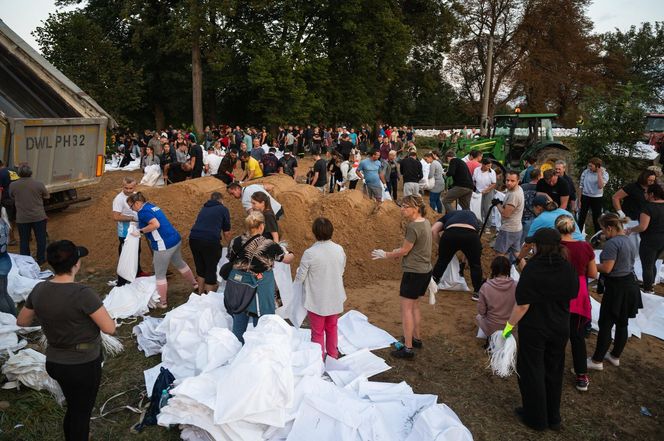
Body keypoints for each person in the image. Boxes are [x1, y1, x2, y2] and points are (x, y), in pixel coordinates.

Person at [17, 240, 116, 441]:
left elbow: (22, 321)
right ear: (76, 263)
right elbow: (109, 328)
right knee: (81, 413)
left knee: (74, 406)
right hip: (83, 363)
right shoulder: (83, 294)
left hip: (55, 361)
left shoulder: (39, 290)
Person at [504, 228, 579, 431]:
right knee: (554, 370)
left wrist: (508, 328)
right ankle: (553, 417)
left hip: (535, 328)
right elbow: (573, 292)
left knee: (532, 371)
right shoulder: (567, 267)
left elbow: (522, 305)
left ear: (539, 246)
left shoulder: (533, 269)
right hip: (560, 327)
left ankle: (535, 417)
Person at [371, 195, 432, 359]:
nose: (402, 209)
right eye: (402, 206)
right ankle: (417, 339)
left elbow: (405, 250)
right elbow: (416, 248)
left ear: (415, 208)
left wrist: (386, 254)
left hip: (413, 272)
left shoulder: (413, 227)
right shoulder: (425, 223)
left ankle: (408, 348)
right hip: (425, 271)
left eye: (406, 206)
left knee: (406, 310)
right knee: (415, 307)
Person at [227, 211, 295, 343]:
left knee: (239, 315)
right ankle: (260, 348)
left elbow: (231, 259)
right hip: (259, 284)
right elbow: (286, 259)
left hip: (239, 285)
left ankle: (235, 347)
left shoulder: (234, 241)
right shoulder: (268, 244)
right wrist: (291, 253)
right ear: (262, 226)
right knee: (263, 318)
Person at [588, 213, 641, 371]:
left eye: (603, 230)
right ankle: (615, 356)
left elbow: (607, 268)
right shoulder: (627, 240)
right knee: (622, 323)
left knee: (606, 324)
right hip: (630, 284)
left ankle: (597, 361)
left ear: (609, 228)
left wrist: (590, 265)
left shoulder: (613, 244)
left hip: (617, 288)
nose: (603, 233)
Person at [127, 192, 198, 308]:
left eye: (132, 206)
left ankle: (163, 302)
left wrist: (140, 231)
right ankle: (195, 284)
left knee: (160, 274)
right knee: (180, 263)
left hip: (163, 245)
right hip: (175, 239)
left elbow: (155, 224)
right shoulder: (150, 206)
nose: (132, 209)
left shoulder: (142, 212)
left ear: (138, 203)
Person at [295, 218, 346, 360]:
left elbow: (300, 278)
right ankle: (333, 354)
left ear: (314, 233)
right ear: (331, 231)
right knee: (332, 327)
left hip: (317, 298)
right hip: (334, 295)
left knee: (317, 331)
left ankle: (317, 359)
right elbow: (341, 270)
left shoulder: (310, 253)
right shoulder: (339, 249)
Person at [556, 214, 597, 392]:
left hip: (558, 292)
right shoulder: (585, 247)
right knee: (577, 336)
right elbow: (593, 274)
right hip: (579, 293)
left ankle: (553, 369)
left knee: (556, 334)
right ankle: (581, 375)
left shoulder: (555, 248)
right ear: (574, 229)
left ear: (556, 229)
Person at [431, 209, 483, 299]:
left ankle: (432, 285)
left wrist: (441, 247)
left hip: (450, 235)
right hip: (471, 236)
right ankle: (477, 292)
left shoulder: (448, 215)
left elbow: (433, 230)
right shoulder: (473, 217)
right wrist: (463, 263)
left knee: (442, 261)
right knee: (475, 265)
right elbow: (469, 250)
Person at [189, 192, 232, 294]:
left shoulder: (204, 208)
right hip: (209, 241)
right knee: (210, 268)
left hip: (194, 239)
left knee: (200, 267)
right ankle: (208, 297)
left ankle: (200, 293)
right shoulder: (223, 209)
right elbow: (227, 232)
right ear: (221, 200)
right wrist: (231, 245)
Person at [626, 183, 664, 293]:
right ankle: (650, 283)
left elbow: (643, 227)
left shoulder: (648, 208)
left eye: (646, 192)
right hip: (662, 239)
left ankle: (648, 289)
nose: (645, 194)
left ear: (652, 194)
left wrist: (630, 230)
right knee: (653, 262)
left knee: (647, 265)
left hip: (650, 240)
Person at [8, 164, 49, 264]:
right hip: (38, 216)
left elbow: (11, 196)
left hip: (22, 218)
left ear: (19, 173)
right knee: (41, 239)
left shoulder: (13, 185)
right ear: (30, 172)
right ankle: (41, 259)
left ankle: (26, 261)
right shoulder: (39, 184)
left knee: (24, 241)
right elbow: (47, 196)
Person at [112, 177, 147, 286]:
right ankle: (121, 280)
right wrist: (132, 218)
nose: (128, 190)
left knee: (137, 251)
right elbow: (116, 217)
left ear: (135, 186)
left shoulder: (136, 195)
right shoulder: (118, 199)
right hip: (125, 232)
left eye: (130, 188)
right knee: (125, 255)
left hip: (136, 229)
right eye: (125, 188)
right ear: (122, 186)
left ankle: (138, 272)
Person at [476, 256, 516, 338]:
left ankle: (490, 337)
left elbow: (481, 311)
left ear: (493, 269)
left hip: (492, 327)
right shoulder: (516, 285)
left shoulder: (486, 286)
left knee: (478, 317)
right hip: (510, 328)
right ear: (508, 269)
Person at [494, 171, 524, 260]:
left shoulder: (514, 195)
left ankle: (500, 273)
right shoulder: (518, 189)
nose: (509, 183)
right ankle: (526, 272)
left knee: (499, 255)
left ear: (518, 181)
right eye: (507, 180)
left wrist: (497, 204)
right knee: (517, 254)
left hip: (508, 230)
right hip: (517, 228)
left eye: (512, 181)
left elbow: (506, 214)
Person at [578, 157, 609, 233]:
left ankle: (597, 237)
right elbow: (581, 186)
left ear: (597, 166)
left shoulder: (605, 173)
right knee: (581, 217)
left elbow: (600, 186)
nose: (589, 167)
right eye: (589, 165)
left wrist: (599, 173)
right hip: (585, 196)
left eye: (591, 166)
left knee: (597, 219)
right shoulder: (586, 172)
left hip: (597, 198)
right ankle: (578, 235)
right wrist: (579, 200)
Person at [520, 168, 541, 243]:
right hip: (533, 216)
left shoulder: (522, 186)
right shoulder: (540, 188)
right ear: (539, 176)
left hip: (521, 214)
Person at [0, 215, 15, 315]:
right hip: (4, 260)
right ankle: (15, 317)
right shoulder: (3, 220)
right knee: (4, 294)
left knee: (1, 296)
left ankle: (12, 320)